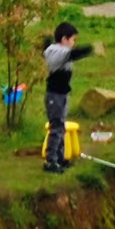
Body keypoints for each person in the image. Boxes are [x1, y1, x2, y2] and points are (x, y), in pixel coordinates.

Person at [43, 21, 95, 174]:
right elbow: (74, 54)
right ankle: (50, 161)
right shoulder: (57, 52)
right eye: (73, 39)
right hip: (55, 96)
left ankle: (60, 158)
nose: (74, 43)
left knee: (61, 127)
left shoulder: (58, 50)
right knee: (56, 128)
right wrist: (89, 49)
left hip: (62, 94)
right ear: (64, 39)